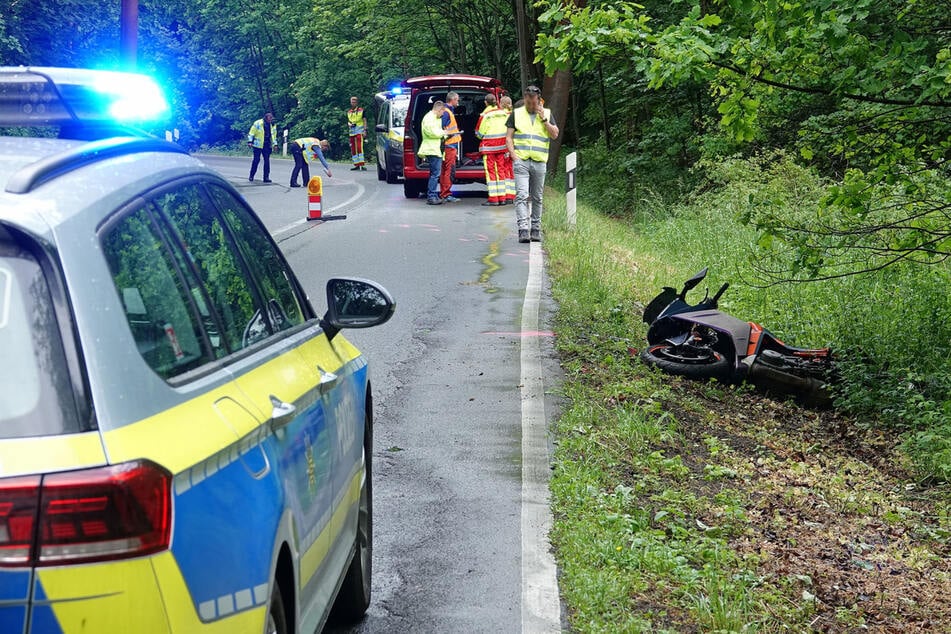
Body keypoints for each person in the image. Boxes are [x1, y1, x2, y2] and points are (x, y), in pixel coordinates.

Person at [505, 86, 559, 243]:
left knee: (537, 197)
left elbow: (555, 134)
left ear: (539, 100)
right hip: (521, 161)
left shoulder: (547, 114)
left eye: (533, 103)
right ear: (525, 99)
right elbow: (509, 137)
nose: (531, 106)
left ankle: (535, 229)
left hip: (539, 161)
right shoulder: (516, 114)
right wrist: (515, 157)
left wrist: (544, 120)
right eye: (528, 102)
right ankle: (523, 229)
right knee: (521, 195)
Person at [475, 93, 509, 206]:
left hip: (489, 148)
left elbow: (479, 134)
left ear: (486, 102)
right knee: (501, 171)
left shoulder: (485, 115)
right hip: (503, 147)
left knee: (491, 172)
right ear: (497, 101)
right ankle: (503, 198)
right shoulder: (504, 113)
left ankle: (494, 199)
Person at [417, 100, 447, 205]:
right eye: (443, 112)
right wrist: (444, 133)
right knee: (435, 174)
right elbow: (432, 133)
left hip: (434, 149)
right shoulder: (429, 118)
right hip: (432, 149)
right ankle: (431, 196)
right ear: (439, 109)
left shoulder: (434, 118)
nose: (443, 114)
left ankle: (433, 195)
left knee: (434, 174)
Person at [439, 91, 462, 203]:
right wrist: (449, 135)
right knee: (449, 170)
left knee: (445, 170)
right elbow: (442, 128)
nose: (458, 102)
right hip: (449, 145)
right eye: (457, 100)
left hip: (449, 144)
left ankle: (444, 192)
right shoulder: (447, 112)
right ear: (452, 100)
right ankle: (446, 193)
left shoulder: (447, 111)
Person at [247, 112, 276, 182]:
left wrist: (275, 144)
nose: (270, 120)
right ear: (265, 118)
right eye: (269, 119)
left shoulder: (272, 125)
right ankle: (251, 175)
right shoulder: (258, 123)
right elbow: (251, 133)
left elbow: (274, 135)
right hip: (258, 144)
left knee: (267, 161)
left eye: (271, 119)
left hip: (267, 144)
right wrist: (250, 141)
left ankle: (266, 177)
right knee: (256, 160)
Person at [499, 95, 516, 205]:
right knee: (510, 171)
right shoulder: (514, 114)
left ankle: (504, 194)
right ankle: (511, 195)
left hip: (504, 146)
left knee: (503, 170)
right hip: (513, 146)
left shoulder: (500, 115)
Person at [346, 96, 367, 171]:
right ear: (350, 102)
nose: (353, 103)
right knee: (353, 149)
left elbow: (364, 120)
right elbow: (348, 121)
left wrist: (365, 130)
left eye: (354, 101)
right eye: (352, 101)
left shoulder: (361, 110)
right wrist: (349, 124)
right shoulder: (349, 112)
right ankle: (356, 164)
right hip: (352, 132)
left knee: (359, 147)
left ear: (357, 102)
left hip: (359, 131)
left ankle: (361, 164)